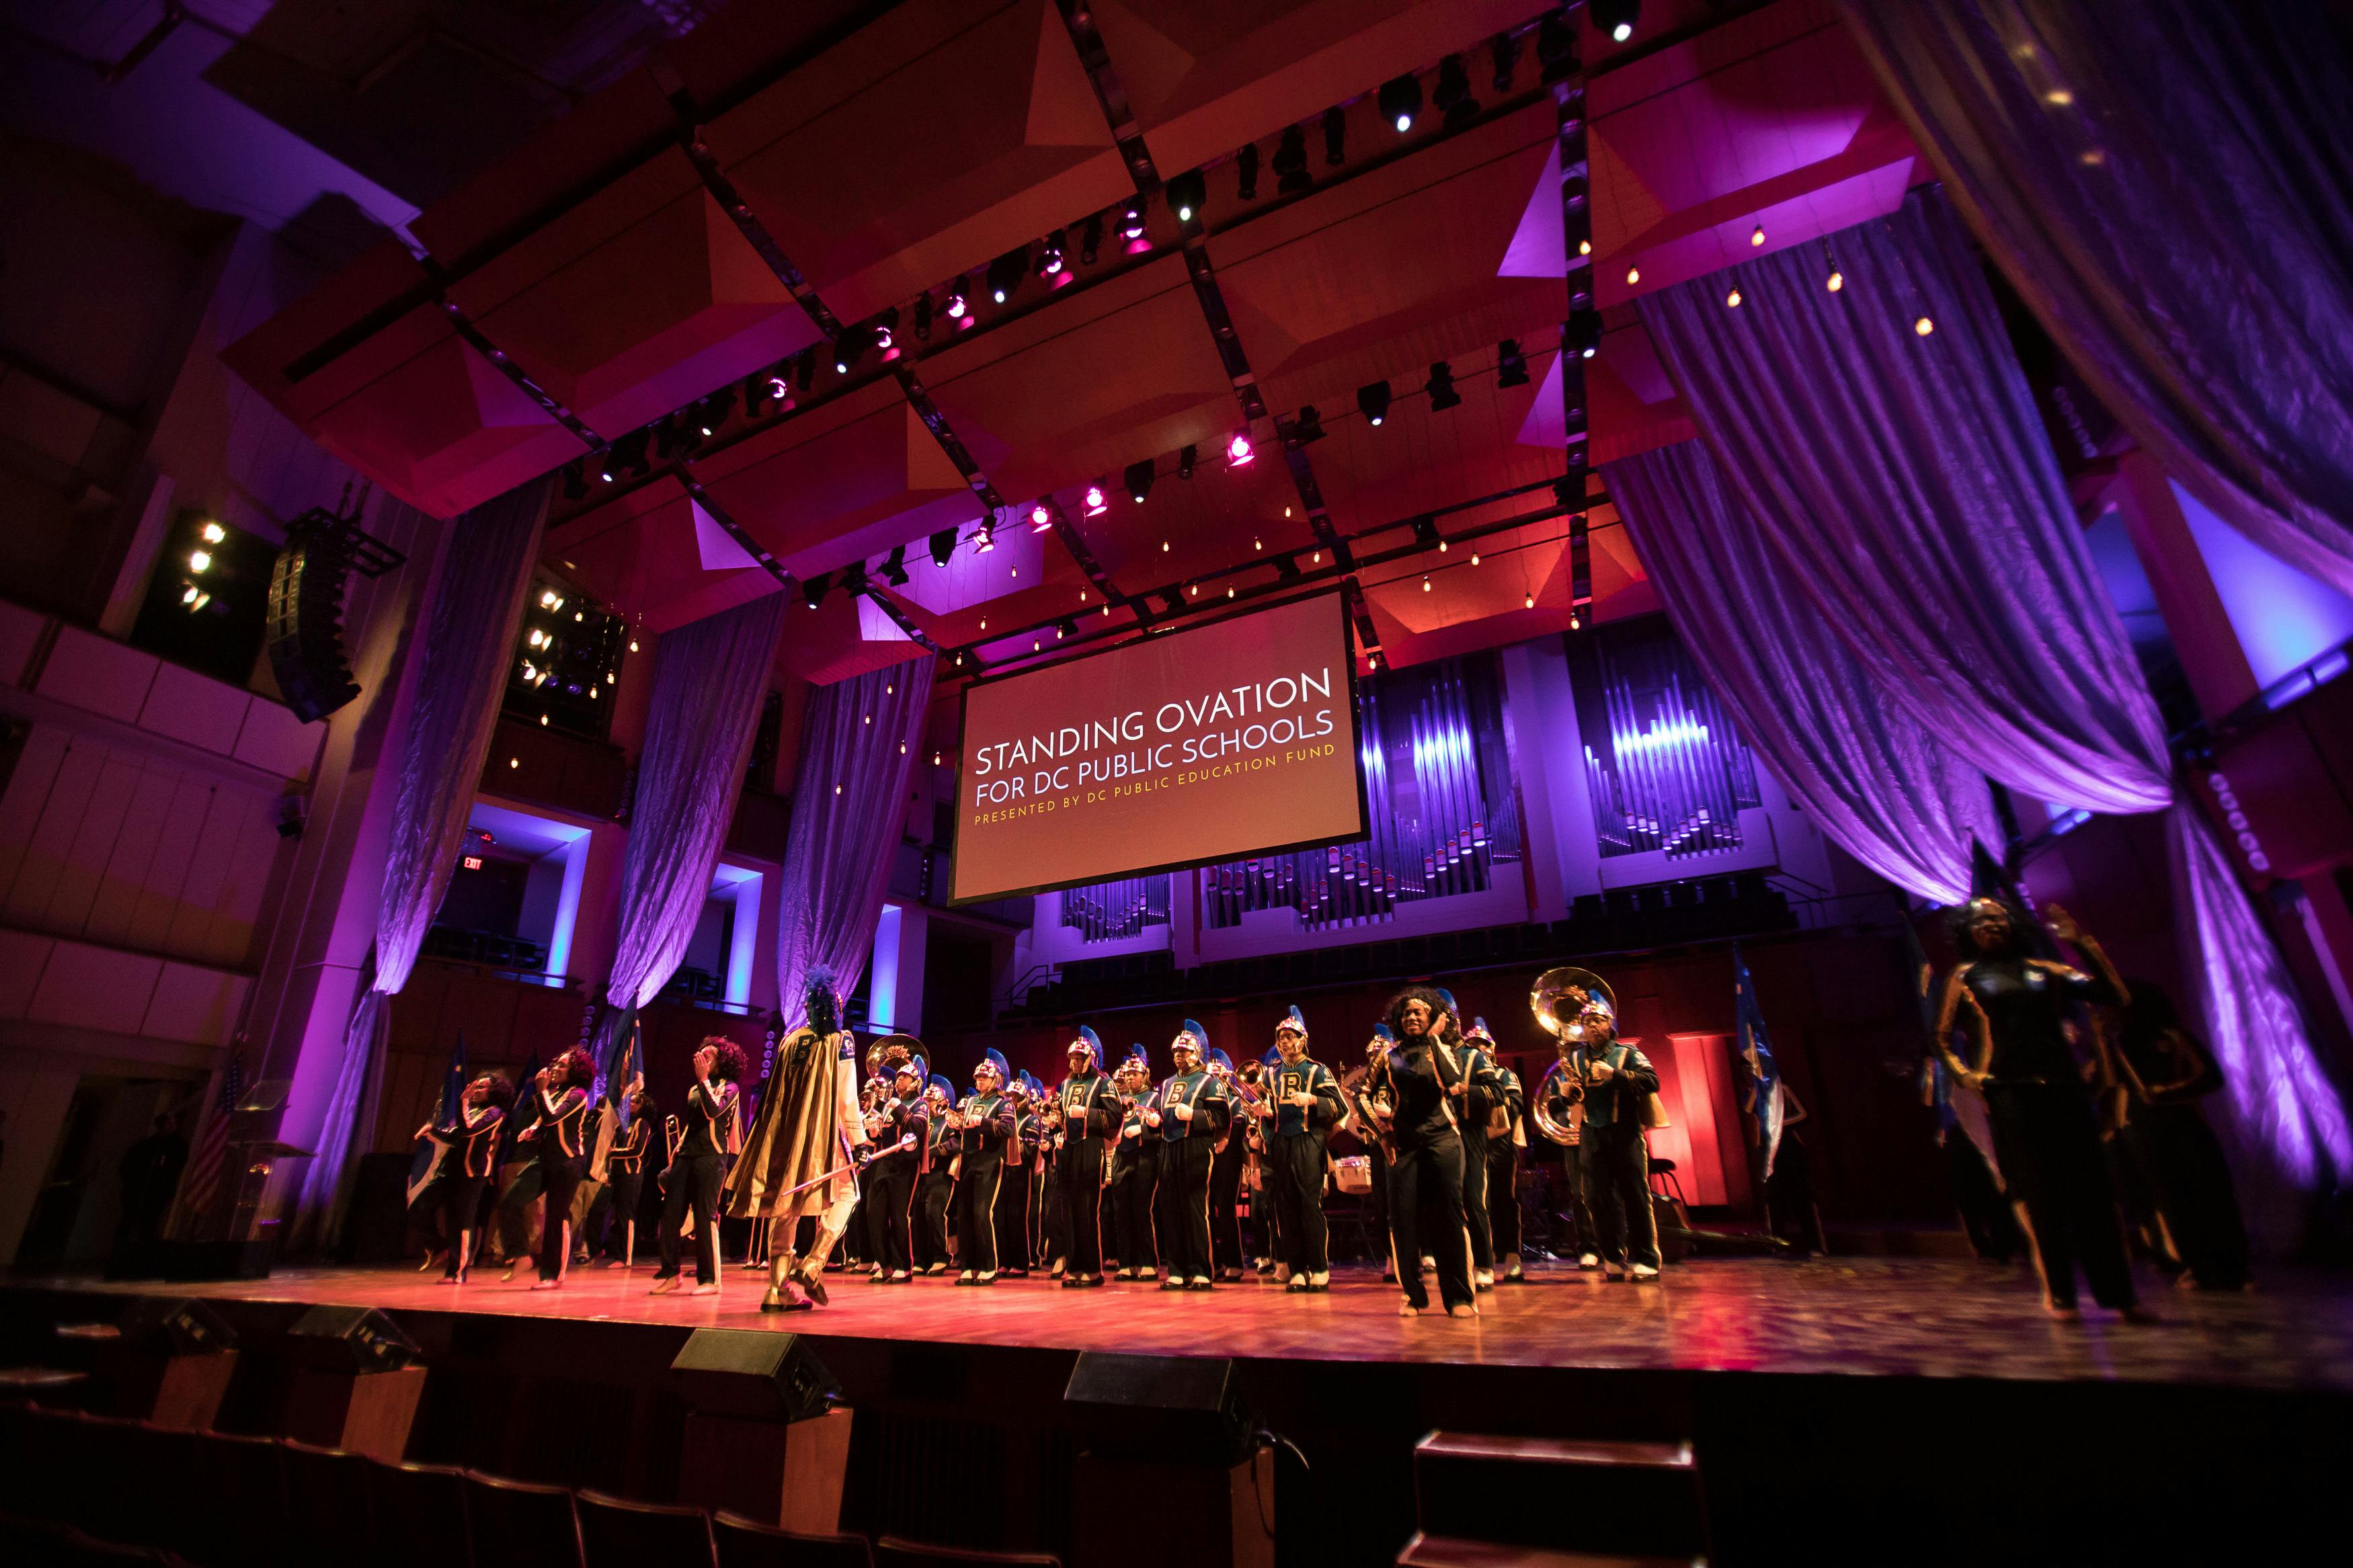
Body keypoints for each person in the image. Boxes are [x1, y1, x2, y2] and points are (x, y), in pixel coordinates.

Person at [1936, 899, 2143, 1319]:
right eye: (1981, 920)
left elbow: (2115, 996)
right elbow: (1940, 1038)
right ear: (1967, 931)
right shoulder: (1965, 976)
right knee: (2040, 1195)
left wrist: (2082, 944)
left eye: (1998, 918)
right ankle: (2062, 1296)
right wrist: (1967, 1076)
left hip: (2065, 1089)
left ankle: (2119, 1296)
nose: (1992, 924)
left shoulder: (2046, 970)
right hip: (2012, 1094)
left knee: (2094, 1194)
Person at [727, 970, 871, 1311]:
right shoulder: (841, 1041)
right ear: (835, 1006)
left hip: (786, 1136)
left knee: (785, 1206)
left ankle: (777, 1290)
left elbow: (776, 1092)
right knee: (850, 1194)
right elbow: (848, 1098)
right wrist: (860, 1140)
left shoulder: (790, 1039)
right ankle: (813, 1263)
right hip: (825, 1135)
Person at [2110, 981, 2249, 1292]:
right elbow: (2112, 1085)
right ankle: (2197, 1266)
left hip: (2185, 1122)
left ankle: (2236, 1268)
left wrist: (2169, 1092)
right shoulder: (2117, 1043)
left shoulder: (2174, 1037)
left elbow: (2211, 1076)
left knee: (2211, 1192)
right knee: (2171, 1198)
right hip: (2143, 1129)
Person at [1364, 989, 1476, 1317]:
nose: (1412, 1017)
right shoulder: (1388, 1055)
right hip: (1404, 1144)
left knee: (1449, 1218)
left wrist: (1433, 1039)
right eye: (1407, 1013)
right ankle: (1414, 1295)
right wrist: (1382, 1132)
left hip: (1443, 1140)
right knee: (1402, 1221)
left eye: (1420, 1013)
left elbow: (1452, 1082)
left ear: (1432, 1018)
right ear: (1398, 1020)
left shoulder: (1442, 1049)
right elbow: (1362, 1097)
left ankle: (1459, 1297)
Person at [1556, 997, 1661, 1282]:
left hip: (1625, 1131)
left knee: (1636, 1195)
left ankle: (1646, 1258)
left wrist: (1615, 1074)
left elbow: (1652, 1081)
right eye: (1587, 1023)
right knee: (1597, 1198)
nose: (1592, 1027)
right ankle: (1613, 1256)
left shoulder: (1629, 1053)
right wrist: (1566, 1092)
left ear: (1610, 1024)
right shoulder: (1575, 1057)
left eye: (1598, 1021)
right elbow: (1572, 1094)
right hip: (1592, 1133)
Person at [491, 1048, 594, 1289]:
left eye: (562, 1065)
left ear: (576, 1071)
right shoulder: (556, 1093)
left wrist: (541, 1091)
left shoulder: (578, 1094)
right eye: (555, 1063)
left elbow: (552, 1117)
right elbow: (545, 1122)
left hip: (568, 1162)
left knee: (556, 1217)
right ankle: (521, 1255)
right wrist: (533, 1131)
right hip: (544, 1159)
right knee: (509, 1201)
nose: (555, 1068)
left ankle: (552, 1275)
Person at [1257, 1006, 1343, 1292]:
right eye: (1281, 1037)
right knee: (1286, 1208)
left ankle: (1319, 1267)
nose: (1284, 1041)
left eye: (1290, 1036)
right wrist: (1264, 1114)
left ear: (1303, 1039)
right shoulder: (1270, 1074)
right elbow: (1267, 1117)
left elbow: (1339, 1107)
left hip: (1308, 1142)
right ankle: (1296, 1269)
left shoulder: (1317, 1070)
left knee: (1309, 1206)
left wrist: (1313, 1101)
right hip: (1281, 1144)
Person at [651, 1036, 744, 1296]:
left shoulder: (731, 1087)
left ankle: (710, 1280)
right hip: (687, 1155)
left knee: (705, 1217)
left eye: (709, 1056)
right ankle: (671, 1272)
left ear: (721, 1061)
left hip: (711, 1157)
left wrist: (703, 1080)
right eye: (700, 1054)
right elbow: (693, 1124)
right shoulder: (694, 1089)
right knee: (670, 1215)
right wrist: (678, 1150)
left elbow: (714, 1112)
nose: (702, 1059)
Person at [1146, 1022, 1233, 1290]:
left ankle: (1200, 1270)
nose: (1178, 1056)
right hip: (1169, 1148)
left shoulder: (1210, 1082)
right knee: (1171, 1210)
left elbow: (1221, 1119)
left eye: (1183, 1052)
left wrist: (1194, 1116)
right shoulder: (1168, 1083)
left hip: (1195, 1147)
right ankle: (1177, 1269)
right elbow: (1165, 1117)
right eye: (1175, 1052)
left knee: (1195, 1210)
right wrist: (1155, 1120)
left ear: (1196, 1054)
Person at [406, 1074, 510, 1282]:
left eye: (481, 1087)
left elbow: (469, 1130)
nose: (476, 1090)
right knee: (418, 1206)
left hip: (472, 1174)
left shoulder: (495, 1113)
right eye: (476, 1086)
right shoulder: (471, 1111)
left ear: (494, 1092)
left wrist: (463, 1101)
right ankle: (439, 1246)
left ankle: (456, 1272)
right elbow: (455, 1135)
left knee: (460, 1221)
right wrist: (433, 1131)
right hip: (450, 1171)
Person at [1441, 993, 1502, 1290]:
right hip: (1438, 1137)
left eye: (1447, 1019)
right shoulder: (1426, 1055)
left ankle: (1483, 1264)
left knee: (1473, 1198)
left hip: (1469, 1133)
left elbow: (1497, 1093)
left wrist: (1467, 1090)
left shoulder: (1474, 1056)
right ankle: (1453, 1265)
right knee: (1444, 1202)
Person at [1055, 1027, 1121, 1288]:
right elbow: (1062, 1113)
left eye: (1079, 1058)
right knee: (1068, 1209)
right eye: (1072, 1058)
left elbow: (1115, 1117)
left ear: (1090, 1059)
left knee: (1087, 1208)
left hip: (1091, 1147)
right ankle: (1075, 1268)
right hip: (1069, 1150)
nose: (1074, 1062)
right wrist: (1055, 1122)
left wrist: (1089, 1114)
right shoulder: (1067, 1083)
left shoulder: (1104, 1082)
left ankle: (1092, 1270)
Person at [1464, 1018, 1528, 1282]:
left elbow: (1514, 1106)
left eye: (1483, 1045)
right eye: (1473, 1045)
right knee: (1477, 1203)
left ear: (1492, 1049)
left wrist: (1478, 1097)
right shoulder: (1464, 1073)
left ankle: (1512, 1254)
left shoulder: (1505, 1075)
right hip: (1472, 1142)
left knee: (1503, 1199)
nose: (1479, 1049)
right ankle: (1483, 1260)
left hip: (1498, 1144)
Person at [949, 1050, 1018, 1284]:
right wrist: (958, 1124)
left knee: (982, 1213)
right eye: (977, 1077)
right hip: (968, 1160)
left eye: (984, 1078)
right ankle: (969, 1266)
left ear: (996, 1080)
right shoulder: (970, 1101)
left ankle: (990, 1267)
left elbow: (1008, 1129)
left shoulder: (1004, 1102)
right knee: (965, 1214)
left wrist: (983, 1123)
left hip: (990, 1160)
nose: (979, 1081)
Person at [863, 1055, 930, 1284]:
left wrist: (899, 1107)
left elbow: (917, 1127)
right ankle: (885, 1264)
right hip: (883, 1162)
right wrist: (873, 1132)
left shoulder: (919, 1104)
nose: (900, 1080)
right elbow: (885, 1133)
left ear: (916, 1082)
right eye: (899, 1076)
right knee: (875, 1215)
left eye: (906, 1077)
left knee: (899, 1216)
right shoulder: (889, 1103)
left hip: (905, 1165)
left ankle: (903, 1266)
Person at [587, 1088, 654, 1266]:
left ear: (643, 1106)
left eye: (635, 1101)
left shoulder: (643, 1124)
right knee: (595, 1210)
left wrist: (613, 1152)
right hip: (614, 1175)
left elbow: (637, 1151)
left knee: (625, 1216)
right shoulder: (622, 1124)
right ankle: (595, 1251)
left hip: (631, 1176)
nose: (630, 1104)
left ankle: (623, 1257)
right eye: (630, 1101)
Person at [1107, 1053, 1157, 1278]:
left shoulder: (1155, 1097)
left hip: (1144, 1157)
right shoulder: (1119, 1099)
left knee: (1141, 1211)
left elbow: (1162, 1131)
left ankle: (1148, 1262)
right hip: (1121, 1156)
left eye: (1134, 1074)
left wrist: (1143, 1131)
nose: (1129, 1078)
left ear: (1145, 1075)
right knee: (1121, 1213)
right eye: (1127, 1074)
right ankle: (1126, 1263)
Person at [1204, 1047, 1250, 1281]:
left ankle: (1234, 1263)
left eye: (1219, 1077)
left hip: (1228, 1160)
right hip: (1207, 1160)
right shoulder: (1206, 1101)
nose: (1216, 1082)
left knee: (1226, 1211)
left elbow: (1240, 1126)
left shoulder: (1235, 1101)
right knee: (1207, 1213)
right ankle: (1215, 1263)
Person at [116, 1112, 188, 1247]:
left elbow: (176, 1167)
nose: (172, 1127)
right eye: (169, 1123)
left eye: (174, 1124)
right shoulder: (146, 1145)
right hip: (137, 1191)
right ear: (160, 1125)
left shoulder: (178, 1146)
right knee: (128, 1221)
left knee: (150, 1223)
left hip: (159, 1192)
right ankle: (122, 1250)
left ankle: (144, 1251)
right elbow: (128, 1166)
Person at [995, 1075, 1038, 1278]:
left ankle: (1021, 1261)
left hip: (1021, 1172)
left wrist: (1017, 1143)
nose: (1012, 1099)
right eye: (1010, 1095)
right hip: (1002, 1169)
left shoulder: (1031, 1118)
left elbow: (1032, 1147)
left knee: (1017, 1217)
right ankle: (1002, 1260)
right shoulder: (1002, 1114)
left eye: (1016, 1096)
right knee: (1000, 1216)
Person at [915, 1075, 957, 1274]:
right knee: (919, 1216)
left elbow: (957, 1143)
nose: (927, 1104)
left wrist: (932, 1150)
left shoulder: (949, 1120)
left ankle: (942, 1255)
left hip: (940, 1173)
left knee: (934, 1213)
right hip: (920, 1174)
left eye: (931, 1100)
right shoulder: (922, 1120)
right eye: (925, 1100)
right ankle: (921, 1258)